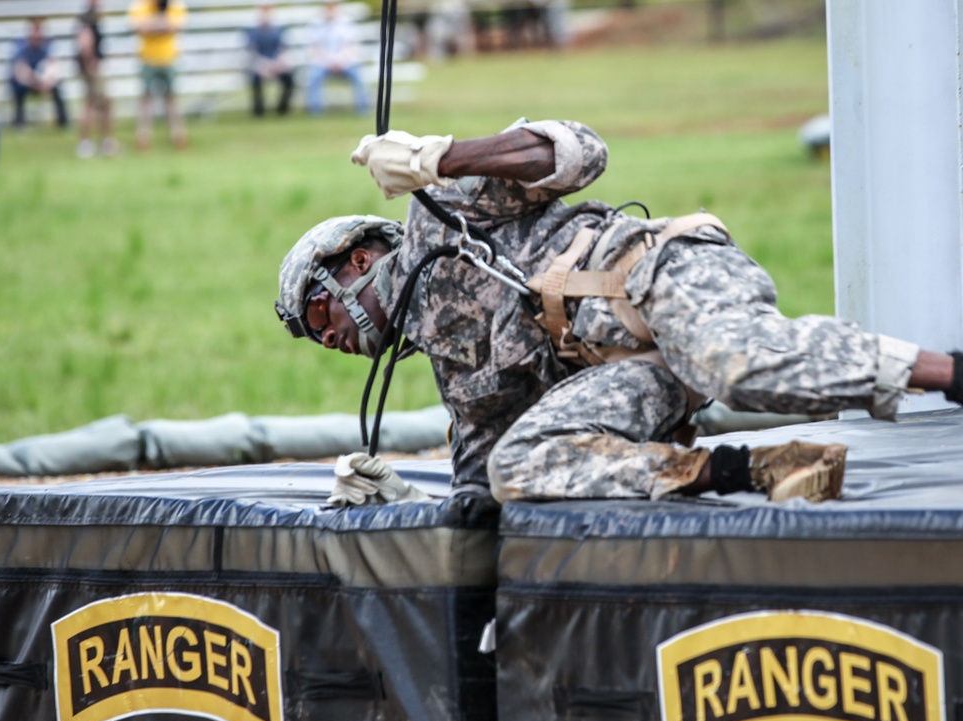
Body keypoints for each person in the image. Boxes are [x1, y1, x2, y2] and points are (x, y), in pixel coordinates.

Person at [274, 120, 963, 506]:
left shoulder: (440, 217)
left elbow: (578, 151)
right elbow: (482, 497)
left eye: (317, 309)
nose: (324, 336)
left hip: (659, 277)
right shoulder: (457, 377)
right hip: (640, 373)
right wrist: (397, 509)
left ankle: (950, 372)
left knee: (742, 369)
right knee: (515, 466)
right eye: (311, 335)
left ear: (357, 259)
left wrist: (441, 158)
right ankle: (750, 468)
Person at [127, 0, 188, 150]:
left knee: (171, 100)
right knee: (146, 100)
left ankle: (178, 137)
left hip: (168, 59)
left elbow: (175, 27)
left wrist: (153, 25)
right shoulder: (141, 5)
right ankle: (143, 138)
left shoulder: (175, 5)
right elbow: (139, 27)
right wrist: (162, 23)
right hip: (148, 59)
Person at [305, 0, 368, 116]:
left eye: (332, 6)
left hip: (345, 63)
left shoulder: (347, 22)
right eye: (327, 6)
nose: (330, 9)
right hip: (323, 63)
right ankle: (315, 111)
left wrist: (340, 59)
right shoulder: (316, 24)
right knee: (314, 76)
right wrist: (329, 60)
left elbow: (352, 46)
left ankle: (364, 109)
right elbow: (314, 48)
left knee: (359, 76)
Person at [75, 0, 118, 158]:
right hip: (92, 69)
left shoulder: (87, 18)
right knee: (97, 105)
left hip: (88, 67)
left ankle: (93, 143)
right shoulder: (88, 19)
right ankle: (96, 143)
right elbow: (85, 44)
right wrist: (91, 64)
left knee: (94, 104)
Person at [8, 17, 68, 129]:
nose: (37, 35)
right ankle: (19, 122)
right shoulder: (21, 46)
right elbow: (21, 69)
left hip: (43, 81)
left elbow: (52, 65)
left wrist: (47, 81)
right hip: (27, 81)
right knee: (18, 88)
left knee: (57, 87)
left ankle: (63, 122)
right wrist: (35, 81)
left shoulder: (47, 45)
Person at [245, 4, 294, 117]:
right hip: (259, 66)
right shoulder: (251, 31)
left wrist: (278, 64)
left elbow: (283, 49)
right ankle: (259, 111)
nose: (265, 14)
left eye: (268, 10)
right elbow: (251, 52)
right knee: (254, 78)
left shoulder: (279, 30)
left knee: (290, 78)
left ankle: (282, 109)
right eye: (263, 10)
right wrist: (263, 65)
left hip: (276, 65)